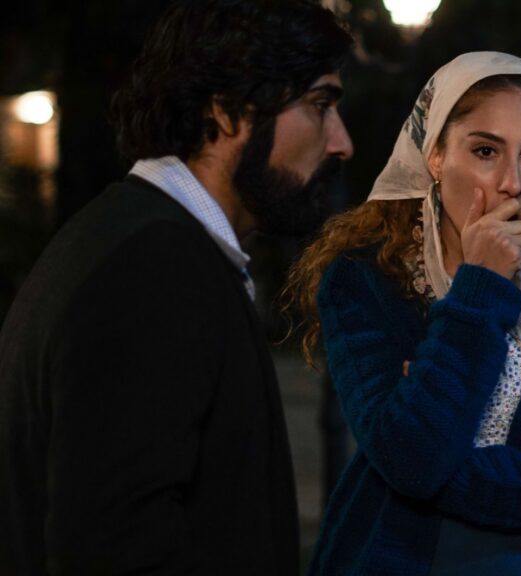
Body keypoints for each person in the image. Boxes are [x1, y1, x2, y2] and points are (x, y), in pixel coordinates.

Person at [0, 1, 354, 573]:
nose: (341, 142)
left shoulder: (145, 239)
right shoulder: (152, 267)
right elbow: (112, 547)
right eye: (320, 104)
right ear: (228, 109)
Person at [282, 51, 521, 575]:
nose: (512, 183)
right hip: (403, 557)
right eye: (485, 151)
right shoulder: (364, 278)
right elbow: (411, 459)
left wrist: (446, 474)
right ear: (435, 154)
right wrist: (480, 285)